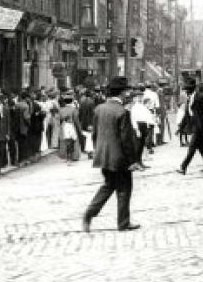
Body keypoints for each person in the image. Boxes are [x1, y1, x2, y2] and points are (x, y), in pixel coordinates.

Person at [83, 76, 141, 232]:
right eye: (127, 91)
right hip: (120, 159)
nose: (128, 94)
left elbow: (94, 135)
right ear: (122, 93)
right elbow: (126, 140)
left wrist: (98, 151)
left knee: (108, 186)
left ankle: (89, 212)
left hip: (103, 156)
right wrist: (133, 161)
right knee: (124, 190)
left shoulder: (99, 109)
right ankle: (123, 223)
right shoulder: (122, 112)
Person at [176, 80, 203, 174]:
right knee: (202, 148)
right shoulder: (190, 98)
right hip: (195, 125)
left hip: (200, 126)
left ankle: (183, 167)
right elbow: (187, 114)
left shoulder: (199, 97)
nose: (185, 92)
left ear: (191, 89)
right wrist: (180, 127)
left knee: (192, 147)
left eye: (186, 90)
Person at [129, 89, 154, 170]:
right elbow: (133, 119)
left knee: (141, 145)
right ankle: (136, 163)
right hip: (138, 126)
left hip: (144, 125)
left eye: (141, 96)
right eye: (138, 97)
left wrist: (148, 124)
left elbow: (146, 116)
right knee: (137, 146)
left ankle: (140, 162)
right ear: (134, 98)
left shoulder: (142, 106)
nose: (140, 98)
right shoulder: (134, 107)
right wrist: (137, 129)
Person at [58, 91, 82, 164]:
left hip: (64, 126)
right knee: (73, 141)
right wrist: (79, 129)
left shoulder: (61, 110)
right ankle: (74, 156)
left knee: (65, 141)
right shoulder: (74, 110)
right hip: (72, 126)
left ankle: (66, 156)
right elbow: (76, 120)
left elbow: (60, 120)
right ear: (71, 101)